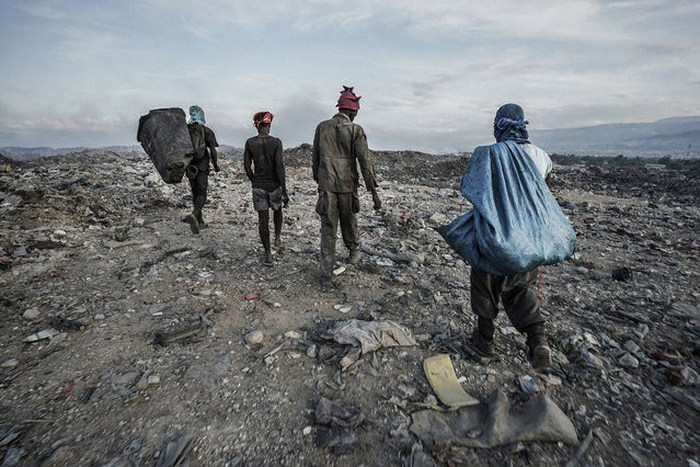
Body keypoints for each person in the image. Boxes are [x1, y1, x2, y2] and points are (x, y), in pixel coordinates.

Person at [466, 103, 553, 369]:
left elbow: (475, 191)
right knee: (520, 287)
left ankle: (484, 342)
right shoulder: (542, 156)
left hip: (495, 234)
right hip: (528, 238)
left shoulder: (488, 154)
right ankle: (537, 340)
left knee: (485, 282)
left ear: (497, 126)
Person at [312, 86, 381, 281]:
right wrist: (373, 192)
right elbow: (365, 161)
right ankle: (353, 253)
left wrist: (319, 179)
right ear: (351, 109)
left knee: (328, 226)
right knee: (349, 221)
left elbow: (315, 157)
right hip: (347, 185)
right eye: (356, 110)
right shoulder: (355, 130)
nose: (357, 114)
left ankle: (325, 268)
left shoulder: (322, 127)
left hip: (327, 186)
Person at [243, 111, 288, 266]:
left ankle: (268, 254)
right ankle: (277, 238)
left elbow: (247, 166)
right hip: (274, 186)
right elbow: (279, 166)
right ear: (268, 125)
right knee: (278, 211)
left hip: (259, 186)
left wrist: (254, 180)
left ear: (257, 126)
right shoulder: (276, 142)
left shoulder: (250, 143)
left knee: (263, 220)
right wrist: (285, 189)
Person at [184, 105, 220, 234]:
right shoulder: (206, 131)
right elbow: (213, 150)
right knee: (202, 193)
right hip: (202, 165)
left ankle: (200, 221)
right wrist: (215, 165)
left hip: (189, 166)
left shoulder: (186, 131)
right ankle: (194, 214)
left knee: (195, 192)